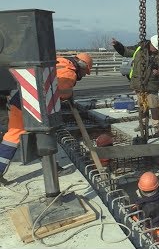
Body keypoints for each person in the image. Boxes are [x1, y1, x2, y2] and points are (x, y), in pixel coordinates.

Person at [0, 53, 93, 184]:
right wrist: (70, 93)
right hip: (37, 107)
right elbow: (63, 93)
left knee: (12, 136)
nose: (83, 76)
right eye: (85, 72)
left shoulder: (59, 60)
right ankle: (53, 169)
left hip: (20, 100)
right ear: (82, 66)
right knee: (44, 136)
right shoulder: (69, 73)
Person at [112, 35, 159, 134]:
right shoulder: (139, 49)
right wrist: (117, 45)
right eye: (155, 48)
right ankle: (143, 125)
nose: (156, 50)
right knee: (142, 106)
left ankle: (157, 126)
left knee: (154, 105)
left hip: (152, 84)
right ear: (150, 44)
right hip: (139, 83)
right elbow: (125, 51)